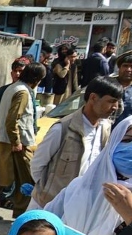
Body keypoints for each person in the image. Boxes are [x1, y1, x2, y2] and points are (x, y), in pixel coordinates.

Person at [30, 76, 122, 209]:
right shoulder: (62, 129)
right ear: (93, 98)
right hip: (50, 206)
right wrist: (48, 192)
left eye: (117, 102)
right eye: (111, 101)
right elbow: (37, 166)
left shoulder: (105, 128)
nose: (115, 107)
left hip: (81, 206)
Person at [0, 62, 47, 218]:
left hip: (10, 140)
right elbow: (12, 119)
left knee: (15, 179)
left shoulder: (15, 88)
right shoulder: (22, 92)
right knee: (27, 179)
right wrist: (16, 141)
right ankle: (23, 214)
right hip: (17, 143)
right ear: (36, 78)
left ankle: (19, 212)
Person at [112, 50, 132, 129]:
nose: (128, 69)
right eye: (125, 66)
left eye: (131, 66)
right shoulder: (107, 85)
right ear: (119, 68)